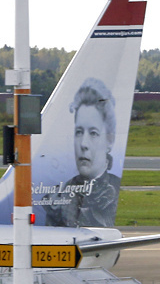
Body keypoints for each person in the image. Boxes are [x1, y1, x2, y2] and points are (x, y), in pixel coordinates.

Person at [39, 78, 120, 227]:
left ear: (110, 140)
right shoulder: (58, 197)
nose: (83, 144)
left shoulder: (114, 190)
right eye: (79, 132)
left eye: (93, 133)